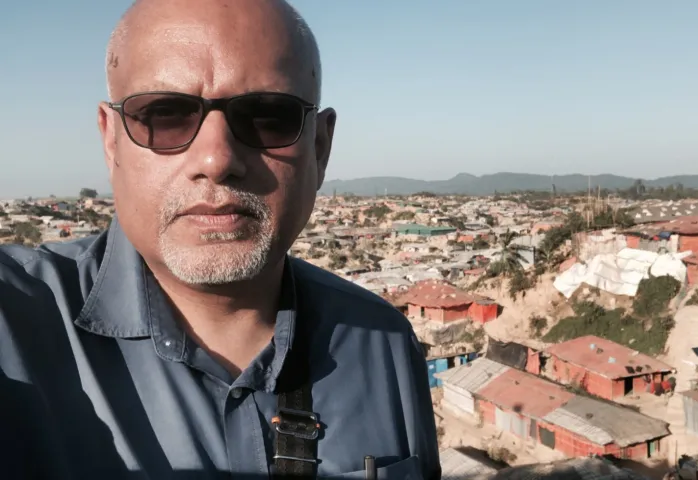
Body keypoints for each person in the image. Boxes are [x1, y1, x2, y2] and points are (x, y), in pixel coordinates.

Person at [0, 0, 441, 478]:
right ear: (111, 141)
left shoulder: (383, 344)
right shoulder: (18, 322)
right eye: (165, 115)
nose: (216, 159)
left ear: (320, 146)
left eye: (268, 116)